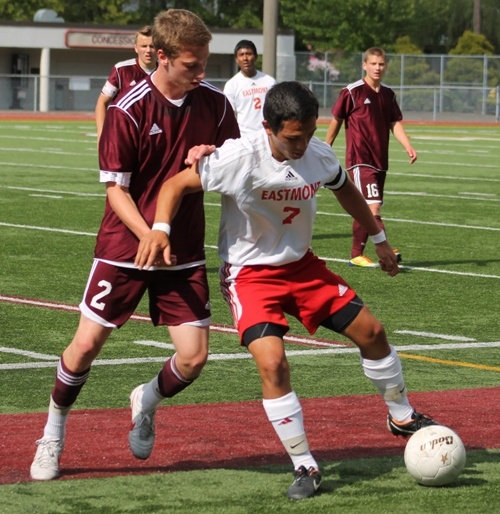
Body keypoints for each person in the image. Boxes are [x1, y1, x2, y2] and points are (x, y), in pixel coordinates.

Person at [134, 81, 437, 500]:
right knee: (273, 363)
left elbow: (344, 188)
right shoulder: (239, 157)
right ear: (268, 127)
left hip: (302, 267)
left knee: (372, 333)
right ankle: (304, 464)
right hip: (250, 275)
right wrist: (160, 229)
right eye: (294, 137)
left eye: (310, 133)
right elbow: (174, 186)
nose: (303, 144)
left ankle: (402, 417)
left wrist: (379, 236)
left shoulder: (318, 153)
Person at [30, 8, 240, 481]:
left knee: (194, 357)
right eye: (191, 64)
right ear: (161, 57)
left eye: (205, 62)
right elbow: (115, 190)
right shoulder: (129, 108)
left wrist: (214, 157)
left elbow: (236, 163)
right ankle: (52, 436)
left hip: (182, 250)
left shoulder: (215, 104)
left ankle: (146, 399)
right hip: (124, 248)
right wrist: (148, 232)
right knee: (84, 347)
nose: (201, 73)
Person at [325, 47, 417, 268]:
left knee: (366, 207)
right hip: (359, 159)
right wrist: (327, 146)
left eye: (381, 64)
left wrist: (408, 146)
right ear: (364, 65)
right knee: (373, 207)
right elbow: (337, 119)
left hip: (380, 161)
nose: (378, 68)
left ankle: (357, 254)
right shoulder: (352, 91)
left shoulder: (388, 94)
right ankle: (383, 246)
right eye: (373, 64)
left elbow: (394, 122)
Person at [95, 25, 157, 141]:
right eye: (144, 46)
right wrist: (101, 135)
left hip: (154, 136)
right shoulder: (121, 70)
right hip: (124, 135)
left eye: (152, 46)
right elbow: (102, 102)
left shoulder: (166, 72)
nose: (148, 50)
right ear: (136, 48)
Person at [223, 39, 276, 135]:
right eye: (241, 55)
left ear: (255, 57)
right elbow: (229, 116)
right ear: (236, 59)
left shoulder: (270, 82)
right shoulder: (232, 85)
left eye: (249, 54)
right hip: (244, 137)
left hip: (266, 135)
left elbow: (276, 109)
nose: (245, 58)